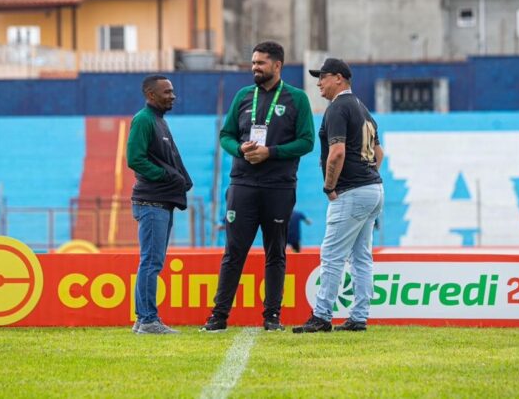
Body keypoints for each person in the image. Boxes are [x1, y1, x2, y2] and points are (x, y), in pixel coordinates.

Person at [201, 41, 315, 332]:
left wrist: (271, 152)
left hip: (279, 186)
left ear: (277, 66)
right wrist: (240, 149)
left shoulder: (297, 99)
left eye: (260, 63)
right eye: (253, 62)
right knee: (234, 250)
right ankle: (218, 317)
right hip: (243, 184)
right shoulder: (242, 96)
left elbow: (307, 141)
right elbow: (225, 135)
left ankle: (272, 316)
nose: (255, 68)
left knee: (275, 251)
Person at [293, 58, 384, 333]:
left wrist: (330, 186)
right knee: (361, 257)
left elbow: (337, 152)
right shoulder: (363, 109)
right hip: (373, 187)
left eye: (323, 77)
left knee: (332, 255)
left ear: (339, 79)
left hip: (352, 191)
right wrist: (367, 176)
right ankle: (359, 316)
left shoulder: (337, 108)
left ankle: (321, 316)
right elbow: (379, 154)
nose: (318, 82)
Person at [127, 74, 192, 334]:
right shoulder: (143, 120)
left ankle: (142, 320)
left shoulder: (159, 122)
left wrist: (181, 179)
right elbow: (135, 158)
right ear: (151, 95)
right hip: (151, 201)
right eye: (167, 92)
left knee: (152, 261)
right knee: (151, 262)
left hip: (161, 201)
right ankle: (148, 320)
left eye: (173, 91)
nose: (172, 96)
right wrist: (166, 176)